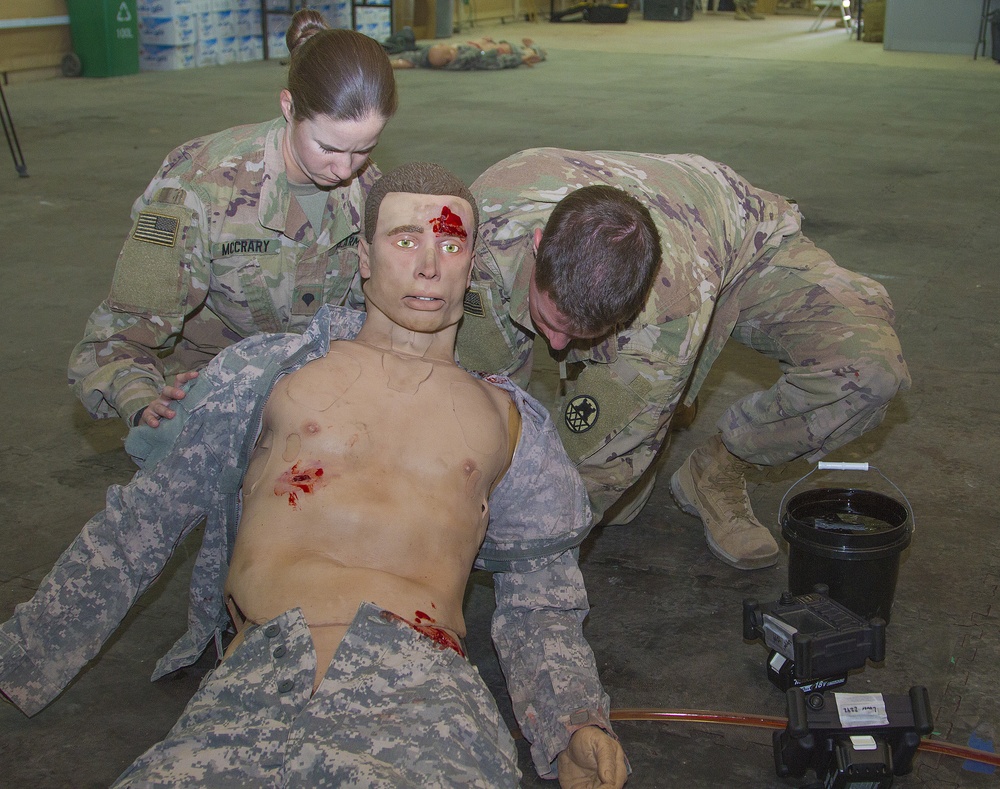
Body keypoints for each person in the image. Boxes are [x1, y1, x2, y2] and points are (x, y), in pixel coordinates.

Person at [1, 163, 627, 788]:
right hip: (258, 683)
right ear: (363, 256)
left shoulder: (512, 424)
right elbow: (138, 528)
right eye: (405, 240)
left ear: (473, 263)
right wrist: (17, 659)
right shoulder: (264, 376)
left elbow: (541, 602)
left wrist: (573, 725)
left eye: (450, 243)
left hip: (423, 703)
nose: (429, 267)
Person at [455, 148, 910, 571]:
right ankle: (648, 398)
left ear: (634, 307)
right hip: (656, 237)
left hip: (743, 245)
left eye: (577, 336)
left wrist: (521, 543)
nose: (554, 345)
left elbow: (595, 476)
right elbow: (478, 385)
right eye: (548, 320)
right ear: (538, 245)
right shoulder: (488, 227)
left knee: (869, 372)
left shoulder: (667, 310)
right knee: (481, 419)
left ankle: (716, 471)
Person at [68, 10, 398, 430]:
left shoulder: (371, 189)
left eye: (363, 148)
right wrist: (143, 398)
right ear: (288, 106)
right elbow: (116, 338)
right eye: (328, 148)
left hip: (326, 391)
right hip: (217, 394)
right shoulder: (197, 188)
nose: (343, 169)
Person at [389, 37, 546, 70]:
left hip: (487, 47)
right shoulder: (472, 58)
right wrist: (522, 57)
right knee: (514, 49)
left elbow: (408, 60)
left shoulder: (428, 56)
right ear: (450, 56)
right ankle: (534, 47)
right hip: (498, 53)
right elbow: (499, 60)